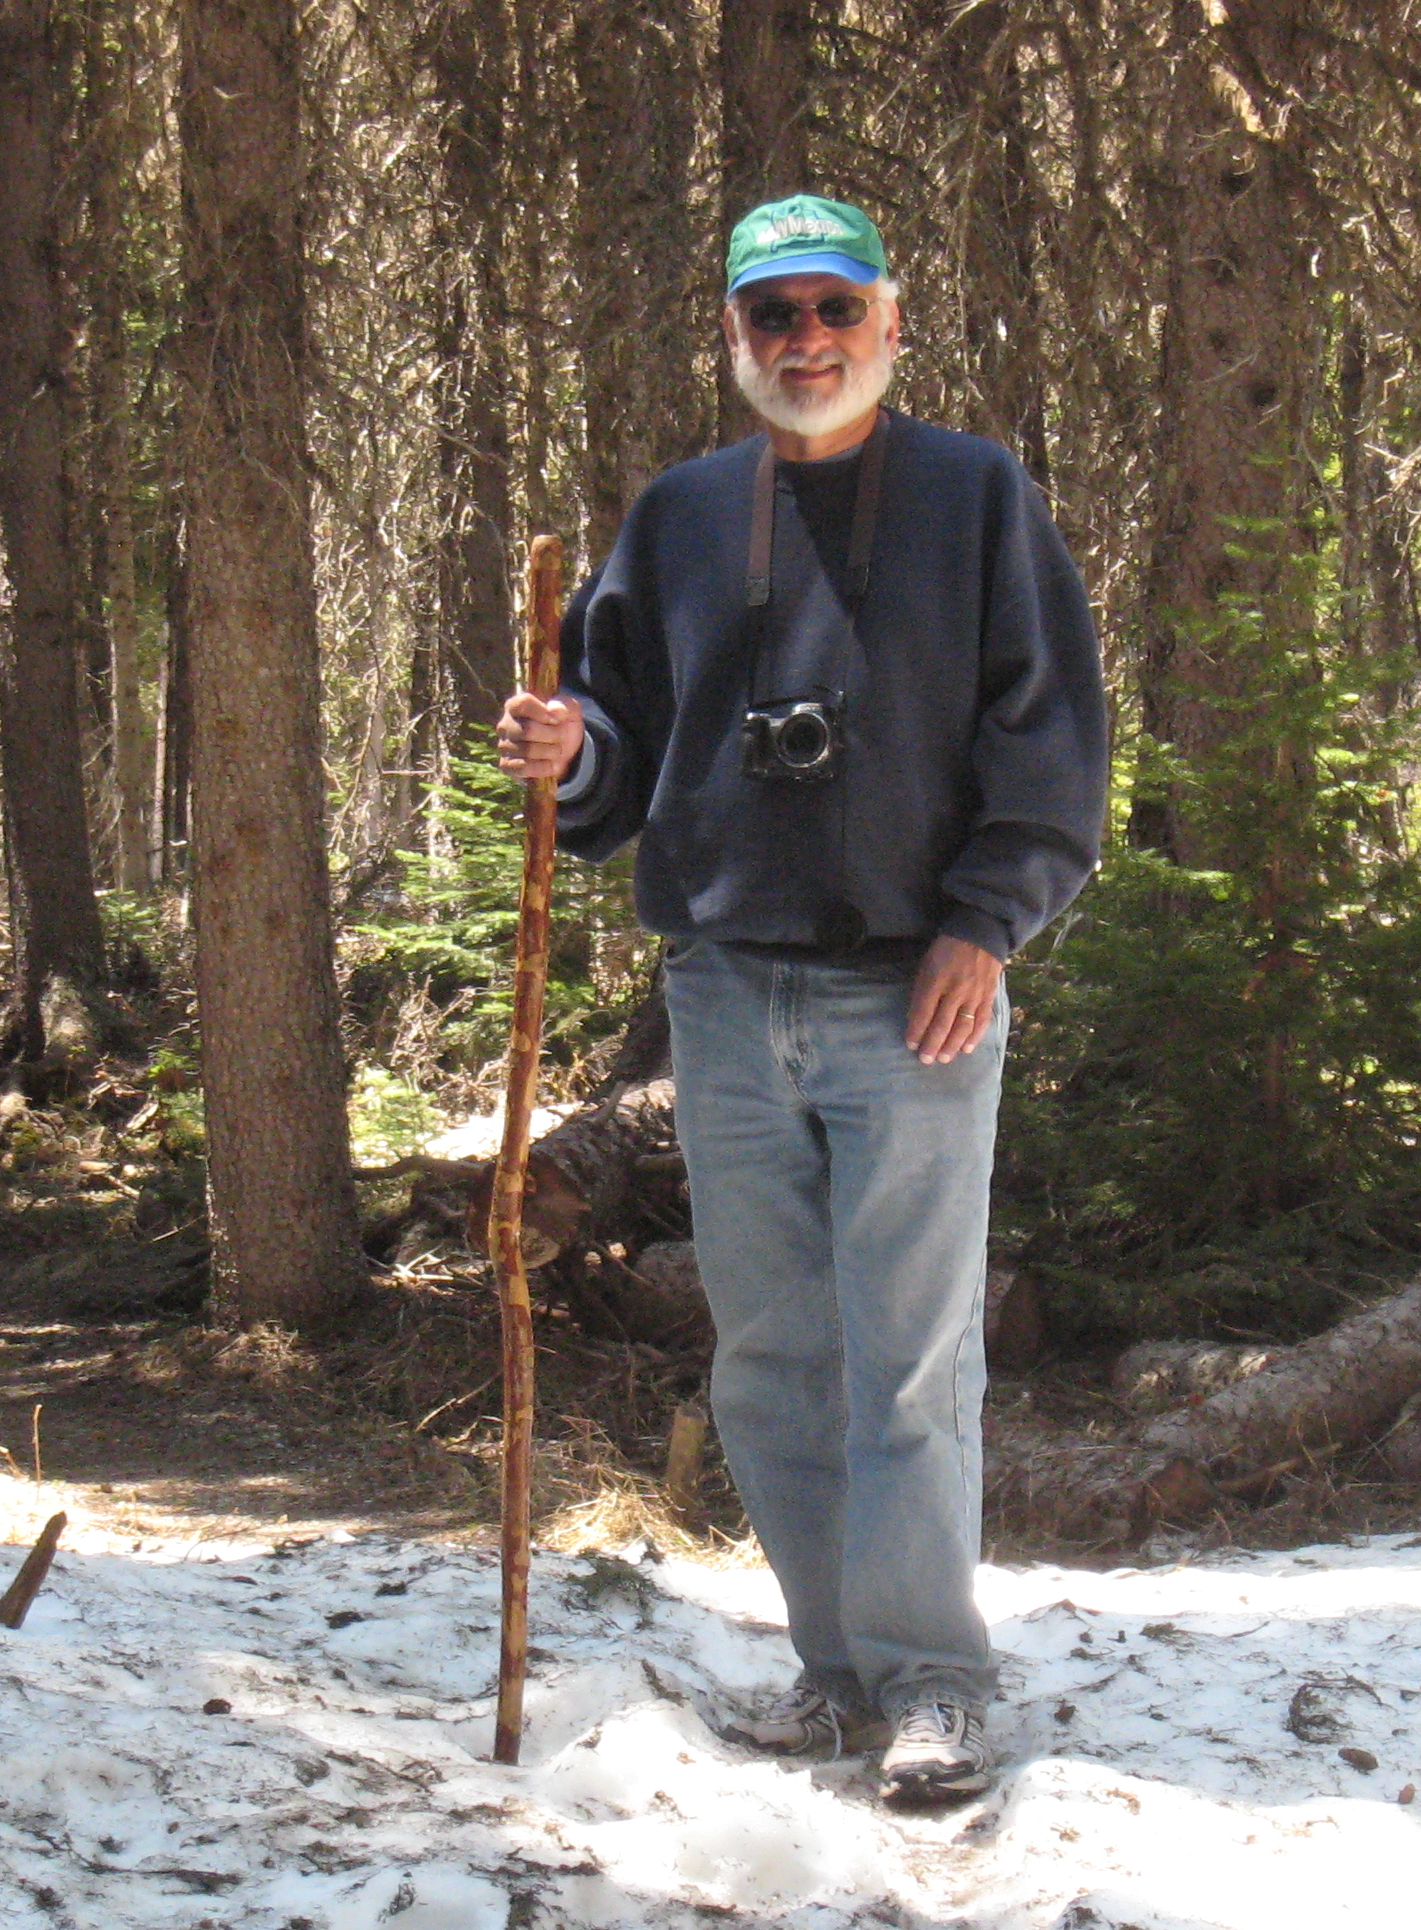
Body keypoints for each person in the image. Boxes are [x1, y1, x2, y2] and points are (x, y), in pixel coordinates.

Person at [495, 194, 1107, 1802]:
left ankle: (934, 1685)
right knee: (771, 1361)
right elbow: (616, 744)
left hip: (915, 995)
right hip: (723, 994)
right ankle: (839, 1677)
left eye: (837, 309)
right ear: (735, 336)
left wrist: (985, 925)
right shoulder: (683, 519)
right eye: (775, 314)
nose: (808, 341)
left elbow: (1051, 737)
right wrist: (567, 752)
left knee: (909, 1362)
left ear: (891, 323)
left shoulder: (975, 498)